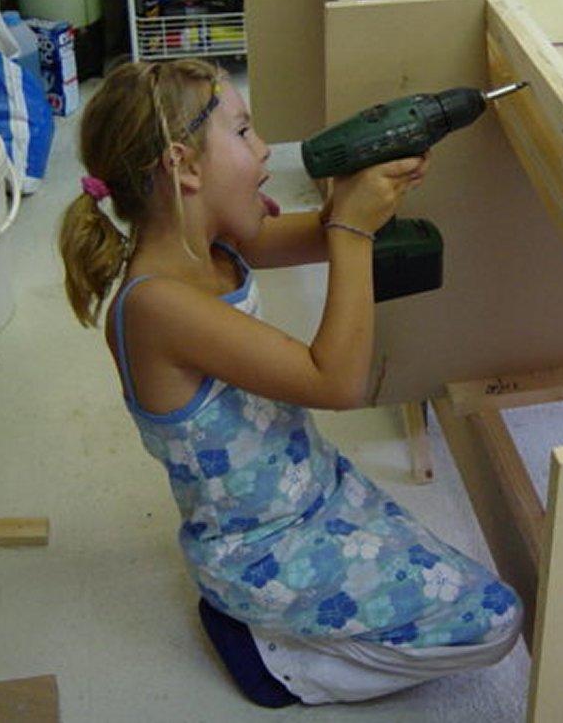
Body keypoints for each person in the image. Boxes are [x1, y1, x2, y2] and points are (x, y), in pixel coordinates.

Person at [58, 60, 521, 707]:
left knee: (463, 587)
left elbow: (323, 231)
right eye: (243, 132)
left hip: (311, 490)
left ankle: (282, 627)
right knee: (494, 628)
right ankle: (276, 662)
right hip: (258, 548)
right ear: (182, 165)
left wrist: (368, 197)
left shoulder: (216, 246)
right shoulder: (155, 306)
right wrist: (355, 228)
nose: (265, 148)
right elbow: (335, 382)